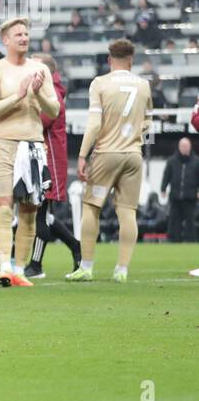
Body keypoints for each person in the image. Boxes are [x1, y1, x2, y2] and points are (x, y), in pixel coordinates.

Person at [0, 16, 60, 287]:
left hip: (33, 146)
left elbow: (55, 110)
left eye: (26, 34)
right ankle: (4, 266)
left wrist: (35, 94)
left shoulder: (41, 70)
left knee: (28, 212)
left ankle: (20, 270)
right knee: (4, 209)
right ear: (5, 40)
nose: (24, 38)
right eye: (18, 35)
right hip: (3, 144)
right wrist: (19, 94)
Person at [68, 39, 152, 282]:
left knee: (91, 206)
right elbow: (148, 126)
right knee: (127, 212)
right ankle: (122, 270)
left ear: (109, 59)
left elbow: (94, 124)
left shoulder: (100, 83)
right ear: (131, 59)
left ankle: (86, 267)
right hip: (133, 155)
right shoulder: (144, 85)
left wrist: (83, 155)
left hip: (106, 154)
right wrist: (141, 148)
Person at [28, 53, 82, 277]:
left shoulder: (53, 96)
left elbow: (38, 122)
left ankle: (36, 265)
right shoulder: (52, 92)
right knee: (43, 215)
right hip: (42, 159)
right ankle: (75, 246)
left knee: (39, 215)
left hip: (46, 161)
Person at [160, 136, 197, 242]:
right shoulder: (171, 161)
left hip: (190, 197)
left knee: (190, 221)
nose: (184, 148)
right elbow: (166, 175)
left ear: (190, 147)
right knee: (174, 220)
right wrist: (163, 188)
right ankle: (173, 240)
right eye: (182, 146)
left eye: (186, 146)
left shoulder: (196, 162)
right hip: (175, 197)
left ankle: (190, 241)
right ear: (179, 147)